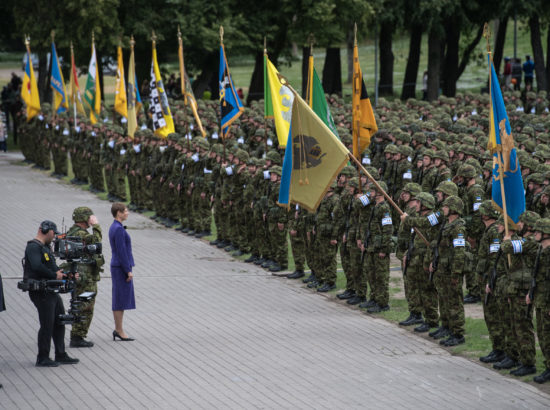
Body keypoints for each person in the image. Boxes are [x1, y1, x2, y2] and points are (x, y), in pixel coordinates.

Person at [24, 220, 79, 367]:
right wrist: (55, 275)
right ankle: (42, 357)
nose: (54, 236)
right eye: (53, 233)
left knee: (59, 321)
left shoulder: (46, 248)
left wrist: (66, 275)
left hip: (51, 290)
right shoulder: (33, 247)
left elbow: (54, 268)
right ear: (46, 230)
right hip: (40, 291)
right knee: (47, 324)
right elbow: (37, 266)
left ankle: (60, 354)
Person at [66, 207, 104, 348]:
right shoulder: (83, 234)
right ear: (84, 218)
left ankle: (77, 335)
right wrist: (96, 225)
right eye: (89, 217)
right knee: (86, 306)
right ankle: (77, 336)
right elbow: (97, 242)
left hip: (80, 274)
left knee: (80, 303)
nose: (91, 219)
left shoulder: (72, 231)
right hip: (85, 277)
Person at [109, 202, 135, 341]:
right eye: (125, 211)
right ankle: (119, 330)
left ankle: (119, 329)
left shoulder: (115, 226)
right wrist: (127, 270)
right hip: (120, 267)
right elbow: (122, 252)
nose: (127, 213)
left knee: (120, 298)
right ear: (118, 212)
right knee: (119, 299)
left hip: (118, 266)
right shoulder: (118, 229)